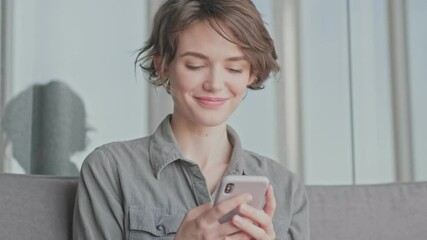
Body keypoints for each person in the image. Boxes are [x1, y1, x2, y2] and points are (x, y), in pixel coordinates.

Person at [72, 0, 310, 239]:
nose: (214, 84)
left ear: (252, 73)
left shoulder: (286, 188)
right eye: (195, 65)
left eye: (234, 69)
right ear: (163, 65)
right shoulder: (112, 170)